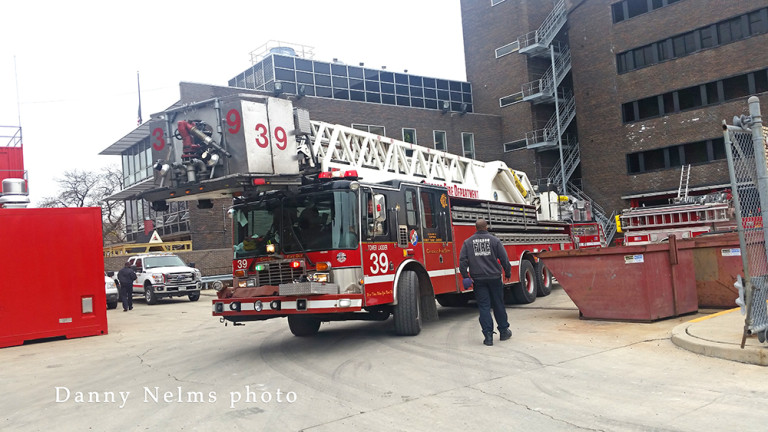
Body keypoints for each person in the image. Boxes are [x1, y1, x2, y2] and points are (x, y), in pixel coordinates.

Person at [459, 218, 513, 346]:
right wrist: (508, 272)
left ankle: (488, 336)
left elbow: (462, 261)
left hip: (478, 279)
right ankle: (504, 331)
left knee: (484, 307)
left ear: (476, 228)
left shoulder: (468, 242)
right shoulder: (495, 241)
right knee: (498, 304)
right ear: (486, 227)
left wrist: (465, 276)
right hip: (494, 278)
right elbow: (504, 259)